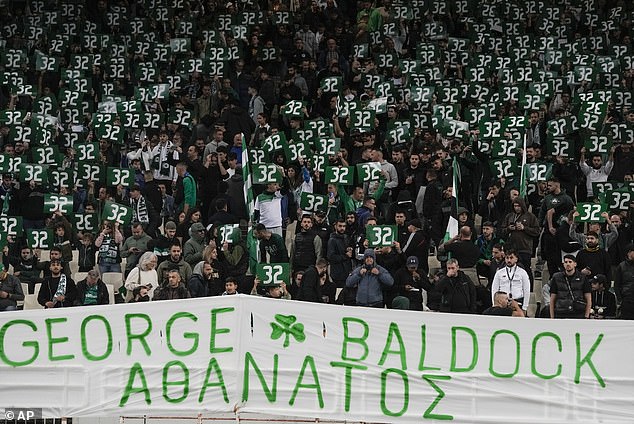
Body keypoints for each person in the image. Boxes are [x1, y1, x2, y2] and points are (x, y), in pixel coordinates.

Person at [549, 254, 592, 319]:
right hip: (561, 312)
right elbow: (552, 299)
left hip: (578, 313)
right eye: (566, 262)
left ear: (575, 264)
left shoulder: (583, 278)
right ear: (563, 264)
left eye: (570, 262)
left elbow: (588, 299)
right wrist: (552, 317)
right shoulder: (556, 277)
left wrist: (586, 316)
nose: (568, 264)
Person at [490, 249, 531, 315]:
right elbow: (494, 290)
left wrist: (524, 307)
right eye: (507, 258)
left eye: (511, 258)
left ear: (516, 259)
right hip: (503, 304)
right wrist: (494, 304)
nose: (509, 260)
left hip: (518, 302)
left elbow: (526, 290)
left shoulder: (522, 272)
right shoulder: (499, 273)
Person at [615, 243, 634, 319]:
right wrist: (620, 300)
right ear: (629, 252)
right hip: (627, 300)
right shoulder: (621, 266)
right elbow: (617, 285)